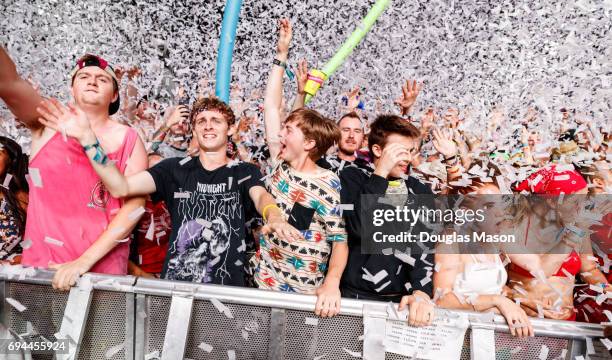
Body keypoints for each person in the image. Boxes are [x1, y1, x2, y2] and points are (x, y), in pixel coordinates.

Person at [37, 95, 293, 287]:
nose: (208, 126)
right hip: (176, 289)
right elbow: (120, 186)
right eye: (201, 121)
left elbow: (262, 197)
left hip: (228, 291)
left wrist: (275, 216)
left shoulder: (244, 170)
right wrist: (88, 139)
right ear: (193, 129)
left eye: (216, 120)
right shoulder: (173, 169)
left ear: (231, 129)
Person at [0, 49, 148, 291]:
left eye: (102, 79)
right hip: (41, 270)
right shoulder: (47, 122)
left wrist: (82, 263)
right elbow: (7, 82)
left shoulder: (129, 139)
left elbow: (134, 208)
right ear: (71, 90)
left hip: (103, 276)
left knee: (103, 331)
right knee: (35, 331)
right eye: (83, 76)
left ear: (114, 96)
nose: (92, 80)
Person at [249, 18, 349, 318]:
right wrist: (281, 55)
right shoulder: (279, 162)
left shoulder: (328, 183)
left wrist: (332, 284)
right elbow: (270, 106)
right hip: (261, 287)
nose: (280, 132)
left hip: (303, 301)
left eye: (289, 130)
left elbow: (340, 241)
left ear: (308, 144)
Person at [338, 114, 435, 327]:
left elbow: (424, 246)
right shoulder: (352, 179)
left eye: (409, 152)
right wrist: (380, 173)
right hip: (352, 299)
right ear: (377, 151)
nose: (407, 159)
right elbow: (361, 230)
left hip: (401, 304)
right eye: (399, 152)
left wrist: (421, 292)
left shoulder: (419, 190)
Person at [434, 164, 535, 337]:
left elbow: (490, 288)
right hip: (456, 338)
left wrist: (524, 302)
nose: (499, 213)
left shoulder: (492, 242)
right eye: (488, 206)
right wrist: (498, 301)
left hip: (489, 336)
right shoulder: (452, 242)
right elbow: (443, 300)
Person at [509, 165, 611, 320]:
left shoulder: (576, 225)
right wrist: (573, 234)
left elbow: (589, 268)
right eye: (577, 201)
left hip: (566, 322)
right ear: (552, 201)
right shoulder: (514, 226)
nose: (582, 207)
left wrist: (605, 288)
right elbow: (542, 270)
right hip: (524, 321)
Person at [0, 137, 29, 264]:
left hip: (8, 275)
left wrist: (20, 258)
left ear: (11, 161)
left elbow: (39, 235)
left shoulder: (20, 197)